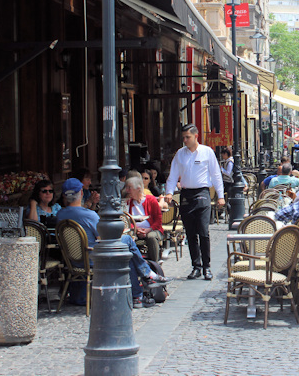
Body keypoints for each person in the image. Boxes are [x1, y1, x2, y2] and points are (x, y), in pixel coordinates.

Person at [56, 178, 169, 308]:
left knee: (127, 250)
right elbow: (105, 237)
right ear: (81, 192)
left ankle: (139, 292)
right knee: (127, 242)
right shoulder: (89, 215)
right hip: (95, 258)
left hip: (73, 261)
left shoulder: (61, 215)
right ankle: (145, 278)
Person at [163, 123, 225, 281]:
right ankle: (196, 266)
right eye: (183, 137)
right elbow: (173, 175)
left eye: (187, 137)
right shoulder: (180, 154)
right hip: (186, 194)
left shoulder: (207, 152)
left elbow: (216, 175)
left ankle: (207, 267)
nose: (185, 140)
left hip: (202, 193)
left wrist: (220, 195)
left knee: (203, 232)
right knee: (190, 233)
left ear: (196, 136)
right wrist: (169, 193)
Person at [126, 175, 164, 261]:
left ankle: (154, 264)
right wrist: (135, 230)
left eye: (129, 188)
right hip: (135, 231)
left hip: (153, 230)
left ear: (138, 188)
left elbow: (158, 220)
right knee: (127, 238)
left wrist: (148, 230)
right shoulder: (129, 202)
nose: (127, 190)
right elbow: (127, 221)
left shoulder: (151, 200)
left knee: (151, 237)